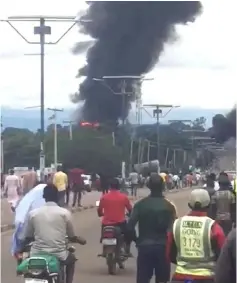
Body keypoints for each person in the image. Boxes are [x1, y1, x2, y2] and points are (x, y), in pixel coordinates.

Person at [20, 183, 86, 283]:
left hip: (37, 253)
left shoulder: (33, 214)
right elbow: (71, 235)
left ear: (43, 197)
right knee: (71, 260)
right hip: (59, 253)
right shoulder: (64, 213)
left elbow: (28, 235)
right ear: (57, 196)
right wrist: (75, 238)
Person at [127, 173, 177, 283]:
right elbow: (174, 230)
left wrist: (137, 240)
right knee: (162, 280)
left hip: (144, 246)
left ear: (148, 186)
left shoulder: (140, 205)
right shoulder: (169, 206)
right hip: (163, 248)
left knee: (143, 279)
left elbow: (130, 227)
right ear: (163, 186)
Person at [169, 188, 226, 283]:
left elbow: (169, 253)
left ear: (189, 205)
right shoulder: (213, 227)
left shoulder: (176, 224)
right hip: (207, 277)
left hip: (180, 277)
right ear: (208, 205)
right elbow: (223, 257)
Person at [97, 177, 133, 256]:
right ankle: (127, 249)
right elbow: (130, 209)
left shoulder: (104, 197)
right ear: (119, 186)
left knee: (104, 236)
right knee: (129, 234)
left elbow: (99, 210)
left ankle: (104, 247)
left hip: (106, 223)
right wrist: (130, 214)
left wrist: (100, 214)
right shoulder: (124, 197)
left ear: (109, 187)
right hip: (120, 223)